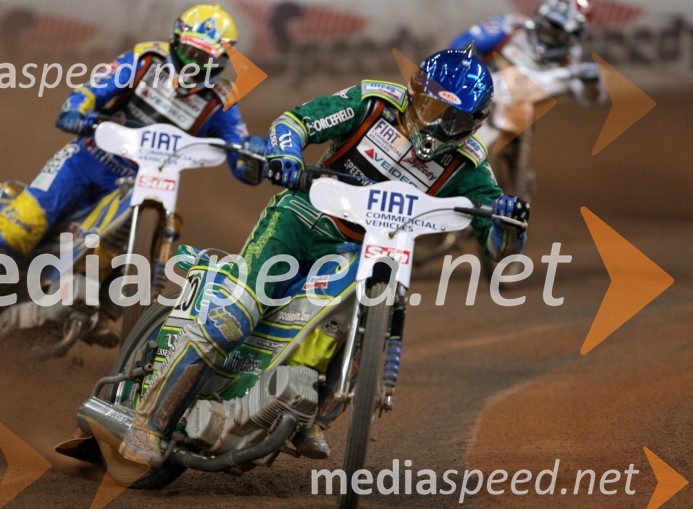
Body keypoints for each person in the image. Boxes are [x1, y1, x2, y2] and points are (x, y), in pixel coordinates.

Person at [119, 45, 531, 466]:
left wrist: (508, 223)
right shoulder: (372, 103)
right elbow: (297, 121)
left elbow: (499, 253)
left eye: (453, 119)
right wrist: (285, 154)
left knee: (345, 312)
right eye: (430, 106)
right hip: (301, 220)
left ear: (473, 125)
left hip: (363, 250)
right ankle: (148, 424)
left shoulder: (469, 164)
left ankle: (304, 410)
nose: (436, 124)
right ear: (414, 91)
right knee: (232, 315)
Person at [0, 4, 265, 345]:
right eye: (190, 53)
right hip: (86, 161)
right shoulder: (145, 61)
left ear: (222, 63)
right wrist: (76, 109)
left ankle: (114, 312)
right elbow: (95, 88)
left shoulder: (219, 101)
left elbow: (240, 152)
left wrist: (253, 154)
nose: (195, 66)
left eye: (207, 60)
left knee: (171, 225)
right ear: (175, 42)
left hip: (142, 184)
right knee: (22, 222)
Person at [449, 0, 605, 150]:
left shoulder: (570, 58)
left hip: (517, 108)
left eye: (564, 31)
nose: (554, 34)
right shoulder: (514, 27)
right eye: (552, 24)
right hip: (477, 91)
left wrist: (592, 82)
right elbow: (461, 46)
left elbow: (589, 97)